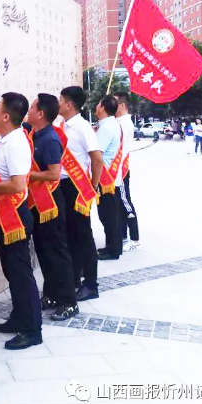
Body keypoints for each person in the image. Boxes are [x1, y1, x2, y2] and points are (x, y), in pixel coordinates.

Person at [0, 93, 43, 350]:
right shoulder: (4, 134)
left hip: (15, 216)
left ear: (6, 116)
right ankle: (18, 317)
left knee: (21, 274)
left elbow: (17, 185)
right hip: (6, 216)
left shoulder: (15, 143)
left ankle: (32, 330)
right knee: (11, 272)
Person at [23, 94, 79, 321]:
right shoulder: (33, 133)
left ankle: (69, 301)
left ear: (41, 113)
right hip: (37, 203)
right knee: (43, 251)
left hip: (50, 204)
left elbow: (54, 173)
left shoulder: (49, 139)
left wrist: (26, 174)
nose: (29, 110)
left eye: (32, 107)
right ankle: (52, 295)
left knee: (57, 252)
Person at [58, 87, 103, 301]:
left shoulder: (83, 127)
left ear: (69, 104)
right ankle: (74, 278)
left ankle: (91, 285)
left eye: (61, 100)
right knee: (70, 235)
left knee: (83, 236)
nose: (58, 103)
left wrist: (93, 186)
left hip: (78, 188)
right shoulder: (62, 125)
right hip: (63, 186)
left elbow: (97, 158)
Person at [94, 96, 123, 261]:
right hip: (110, 177)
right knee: (109, 215)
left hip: (105, 178)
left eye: (98, 104)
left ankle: (113, 250)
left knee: (108, 216)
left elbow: (97, 155)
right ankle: (112, 246)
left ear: (103, 107)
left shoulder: (106, 128)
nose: (96, 106)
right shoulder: (110, 124)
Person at [114, 92, 141, 252]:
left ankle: (135, 239)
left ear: (122, 105)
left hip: (120, 170)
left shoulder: (125, 124)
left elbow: (121, 149)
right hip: (115, 170)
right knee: (119, 204)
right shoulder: (117, 122)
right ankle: (123, 237)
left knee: (125, 203)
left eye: (115, 103)